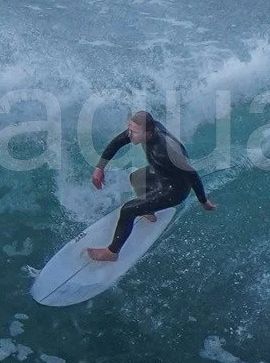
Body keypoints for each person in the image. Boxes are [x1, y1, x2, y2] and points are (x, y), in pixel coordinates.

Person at [86, 110, 215, 261]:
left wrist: (203, 201)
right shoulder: (145, 131)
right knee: (135, 178)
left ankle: (112, 252)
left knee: (128, 210)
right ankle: (150, 211)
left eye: (134, 132)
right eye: (129, 129)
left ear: (148, 132)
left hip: (175, 189)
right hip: (162, 173)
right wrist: (100, 168)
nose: (130, 134)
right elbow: (117, 142)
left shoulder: (165, 151)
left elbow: (192, 175)